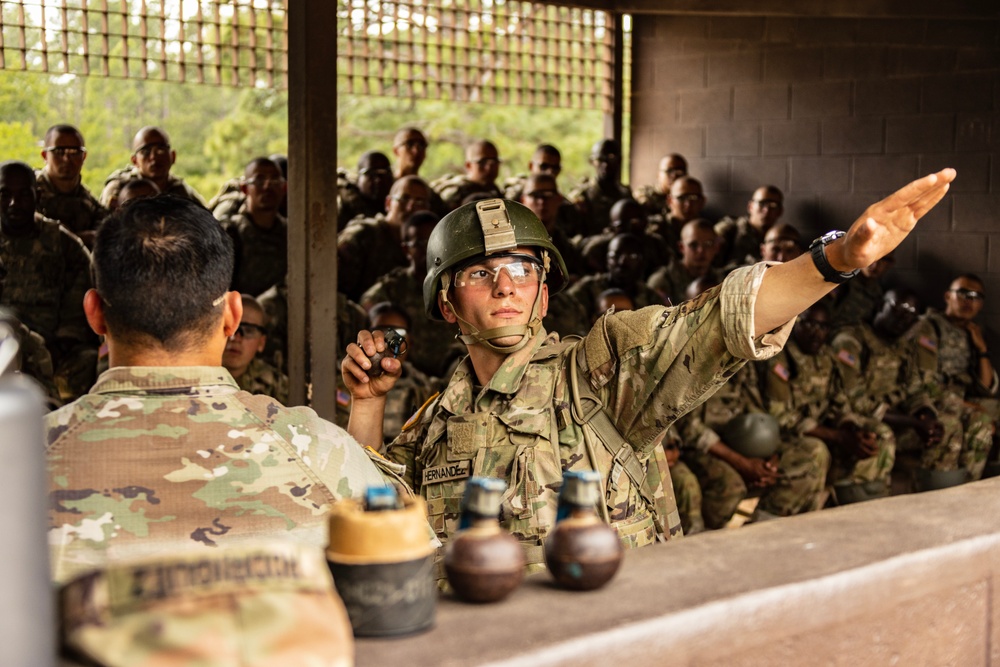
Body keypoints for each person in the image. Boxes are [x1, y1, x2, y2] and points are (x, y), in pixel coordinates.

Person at [342, 168, 954, 562]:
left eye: (524, 269)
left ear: (545, 294)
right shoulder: (432, 425)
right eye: (480, 273)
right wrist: (367, 406)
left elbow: (716, 321)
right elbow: (374, 526)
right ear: (446, 303)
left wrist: (835, 259)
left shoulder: (600, 371)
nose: (505, 285)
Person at [44, 196, 405, 585]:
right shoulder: (319, 449)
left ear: (94, 312)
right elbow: (396, 563)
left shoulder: (20, 458)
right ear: (233, 315)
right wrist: (365, 409)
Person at [0, 160, 95, 401]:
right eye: (4, 194)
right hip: (3, 344)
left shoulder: (64, 245)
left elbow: (81, 299)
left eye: (23, 194)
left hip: (57, 350)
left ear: (38, 195)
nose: (14, 203)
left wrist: (63, 340)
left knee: (90, 360)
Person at [906, 274, 997, 480]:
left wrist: (982, 349)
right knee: (977, 420)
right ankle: (949, 487)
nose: (969, 301)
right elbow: (924, 384)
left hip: (960, 400)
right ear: (948, 296)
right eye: (963, 294)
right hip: (932, 402)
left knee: (985, 418)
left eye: (976, 297)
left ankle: (970, 486)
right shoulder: (928, 327)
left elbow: (986, 386)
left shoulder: (971, 332)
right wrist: (967, 405)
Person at [360, 210, 463, 379]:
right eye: (421, 243)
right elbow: (371, 318)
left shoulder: (459, 284)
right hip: (405, 376)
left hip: (456, 374)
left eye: (434, 243)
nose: (429, 250)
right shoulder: (391, 289)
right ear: (407, 249)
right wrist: (398, 341)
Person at [338, 175, 431, 302]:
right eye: (404, 199)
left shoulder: (425, 245)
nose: (410, 208)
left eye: (420, 202)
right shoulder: (363, 235)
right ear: (388, 203)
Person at [222, 157, 288, 296]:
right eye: (259, 180)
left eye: (275, 180)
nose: (267, 186)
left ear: (284, 187)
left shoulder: (292, 234)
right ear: (245, 188)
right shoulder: (230, 232)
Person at [34, 124, 107, 248]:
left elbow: (104, 237)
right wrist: (80, 238)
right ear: (45, 156)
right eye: (58, 152)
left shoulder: (90, 204)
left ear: (84, 157)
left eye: (74, 152)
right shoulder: (27, 192)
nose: (66, 159)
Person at [100, 126, 206, 210]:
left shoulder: (182, 190)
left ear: (173, 156)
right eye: (145, 151)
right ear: (134, 160)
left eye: (161, 149)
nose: (154, 157)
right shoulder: (119, 187)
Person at [567, 232, 666, 322]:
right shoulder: (586, 290)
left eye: (631, 257)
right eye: (616, 255)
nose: (622, 262)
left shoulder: (651, 298)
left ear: (642, 262)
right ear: (607, 260)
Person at [222, 294, 289, 405]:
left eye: (248, 331)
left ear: (261, 343)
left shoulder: (276, 383)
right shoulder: (197, 375)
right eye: (230, 327)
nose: (236, 338)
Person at [647, 219, 723, 306]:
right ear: (681, 247)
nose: (701, 251)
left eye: (708, 244)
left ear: (717, 248)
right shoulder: (662, 281)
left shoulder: (721, 281)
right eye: (693, 245)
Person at [568, 139, 632, 239]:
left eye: (611, 158)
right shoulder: (582, 195)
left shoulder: (625, 194)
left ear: (619, 160)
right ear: (592, 162)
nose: (605, 164)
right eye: (600, 159)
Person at [715, 185, 785, 269]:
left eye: (773, 206)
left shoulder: (781, 238)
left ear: (780, 211)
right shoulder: (730, 229)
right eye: (762, 204)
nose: (766, 210)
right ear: (750, 207)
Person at [432, 140, 505, 212]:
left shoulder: (495, 191)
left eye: (494, 162)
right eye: (482, 162)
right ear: (468, 165)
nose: (489, 167)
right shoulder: (455, 191)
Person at [649, 175, 707, 256]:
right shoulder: (657, 228)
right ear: (669, 201)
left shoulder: (707, 231)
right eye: (681, 198)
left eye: (694, 198)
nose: (688, 204)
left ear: (702, 202)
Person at [337, 150, 394, 229]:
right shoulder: (344, 203)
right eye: (371, 173)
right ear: (358, 178)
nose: (378, 180)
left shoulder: (398, 205)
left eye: (384, 173)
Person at [635, 153, 688, 221]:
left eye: (679, 172)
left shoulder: (689, 197)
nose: (674, 176)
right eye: (669, 171)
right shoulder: (644, 193)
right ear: (658, 175)